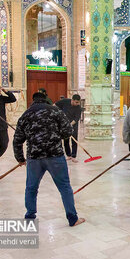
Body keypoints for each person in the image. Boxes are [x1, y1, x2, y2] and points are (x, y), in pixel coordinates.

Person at [13, 92, 85, 227]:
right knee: (64, 187)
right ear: (46, 100)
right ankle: (72, 218)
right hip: (55, 156)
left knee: (31, 188)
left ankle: (29, 216)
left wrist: (20, 158)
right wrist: (56, 134)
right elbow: (68, 131)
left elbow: (17, 140)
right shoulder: (55, 111)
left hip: (34, 158)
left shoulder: (26, 115)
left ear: (32, 101)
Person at [55, 95, 82, 163]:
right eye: (76, 102)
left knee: (74, 140)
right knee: (66, 140)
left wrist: (69, 125)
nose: (77, 104)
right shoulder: (65, 101)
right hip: (64, 124)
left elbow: (76, 119)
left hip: (73, 125)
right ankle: (69, 155)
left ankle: (73, 156)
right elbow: (55, 105)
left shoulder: (78, 108)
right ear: (72, 100)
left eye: (78, 102)